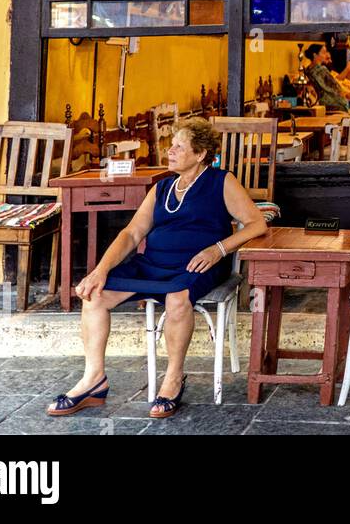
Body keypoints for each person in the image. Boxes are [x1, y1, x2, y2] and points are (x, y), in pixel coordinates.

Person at [47, 118, 268, 418]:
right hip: (152, 264)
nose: (171, 151)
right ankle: (94, 379)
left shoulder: (221, 181)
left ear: (201, 153)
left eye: (179, 146)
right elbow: (132, 233)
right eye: (171, 145)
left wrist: (218, 250)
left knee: (178, 298)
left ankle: (173, 379)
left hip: (197, 264)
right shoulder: (162, 187)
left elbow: (257, 224)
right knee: (94, 295)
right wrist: (100, 270)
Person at [304, 42, 350, 108]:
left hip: (324, 99)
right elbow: (336, 86)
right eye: (323, 53)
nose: (326, 55)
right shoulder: (322, 69)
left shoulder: (308, 69)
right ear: (315, 55)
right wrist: (345, 95)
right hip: (331, 100)